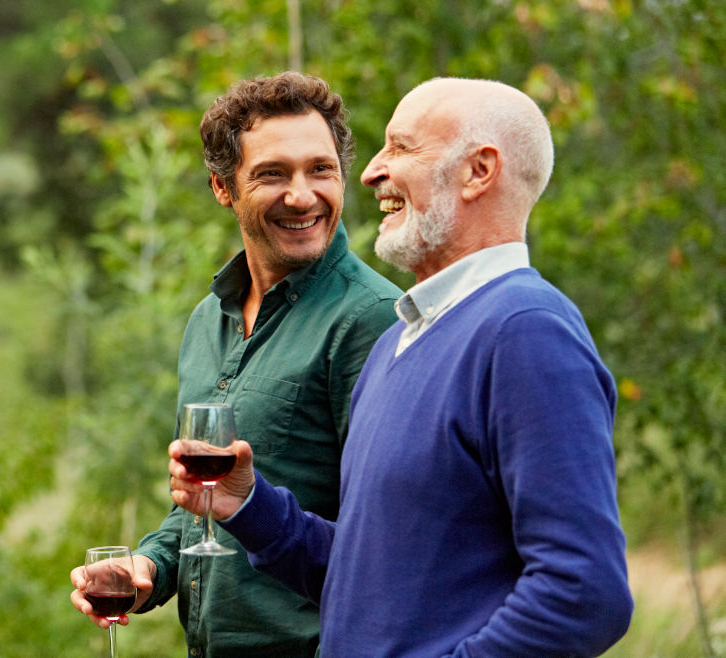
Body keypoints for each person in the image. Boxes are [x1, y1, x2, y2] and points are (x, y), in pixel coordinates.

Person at [167, 77, 635, 657]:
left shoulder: (525, 329)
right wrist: (249, 507)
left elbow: (585, 592)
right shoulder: (404, 340)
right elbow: (367, 582)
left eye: (402, 147)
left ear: (478, 172)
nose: (367, 173)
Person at [70, 72, 401, 656]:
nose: (302, 196)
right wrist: (150, 566)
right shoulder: (208, 319)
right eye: (272, 174)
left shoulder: (370, 320)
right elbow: (201, 503)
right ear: (223, 188)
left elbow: (387, 552)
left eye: (321, 170)